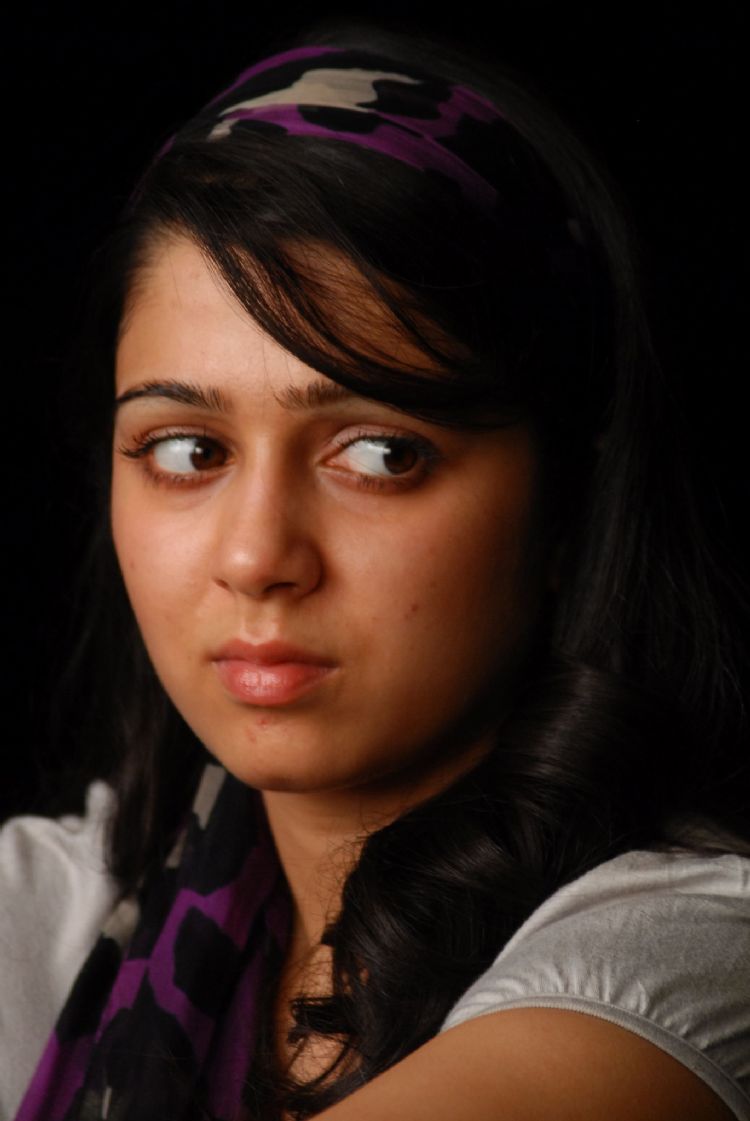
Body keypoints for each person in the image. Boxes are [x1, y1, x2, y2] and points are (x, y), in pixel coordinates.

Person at [1, 20, 748, 1121]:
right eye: (188, 451)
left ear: (567, 506)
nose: (257, 557)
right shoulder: (55, 917)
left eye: (383, 454)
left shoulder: (691, 962)